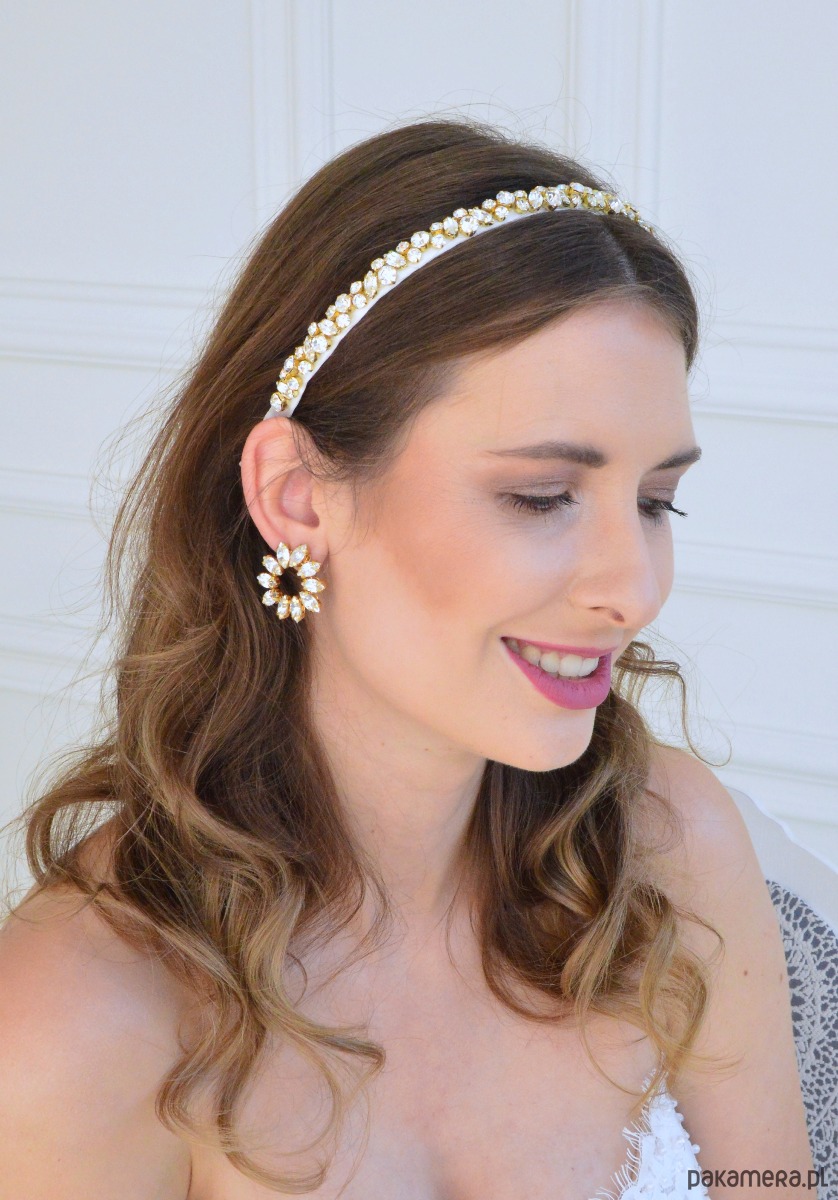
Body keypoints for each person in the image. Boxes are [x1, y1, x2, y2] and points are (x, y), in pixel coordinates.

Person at [0, 117, 815, 1199]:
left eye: (657, 501)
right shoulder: (79, 1021)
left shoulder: (669, 848)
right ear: (298, 497)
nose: (634, 589)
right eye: (542, 497)